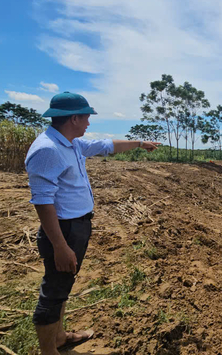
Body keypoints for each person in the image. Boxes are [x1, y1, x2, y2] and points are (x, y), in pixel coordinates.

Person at [25, 92, 160, 354]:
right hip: (63, 231)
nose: (89, 122)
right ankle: (48, 351)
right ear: (74, 118)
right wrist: (61, 246)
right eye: (86, 117)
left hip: (77, 227)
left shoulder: (71, 143)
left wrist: (140, 143)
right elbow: (43, 202)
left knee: (63, 285)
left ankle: (61, 337)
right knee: (53, 291)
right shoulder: (47, 150)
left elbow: (106, 145)